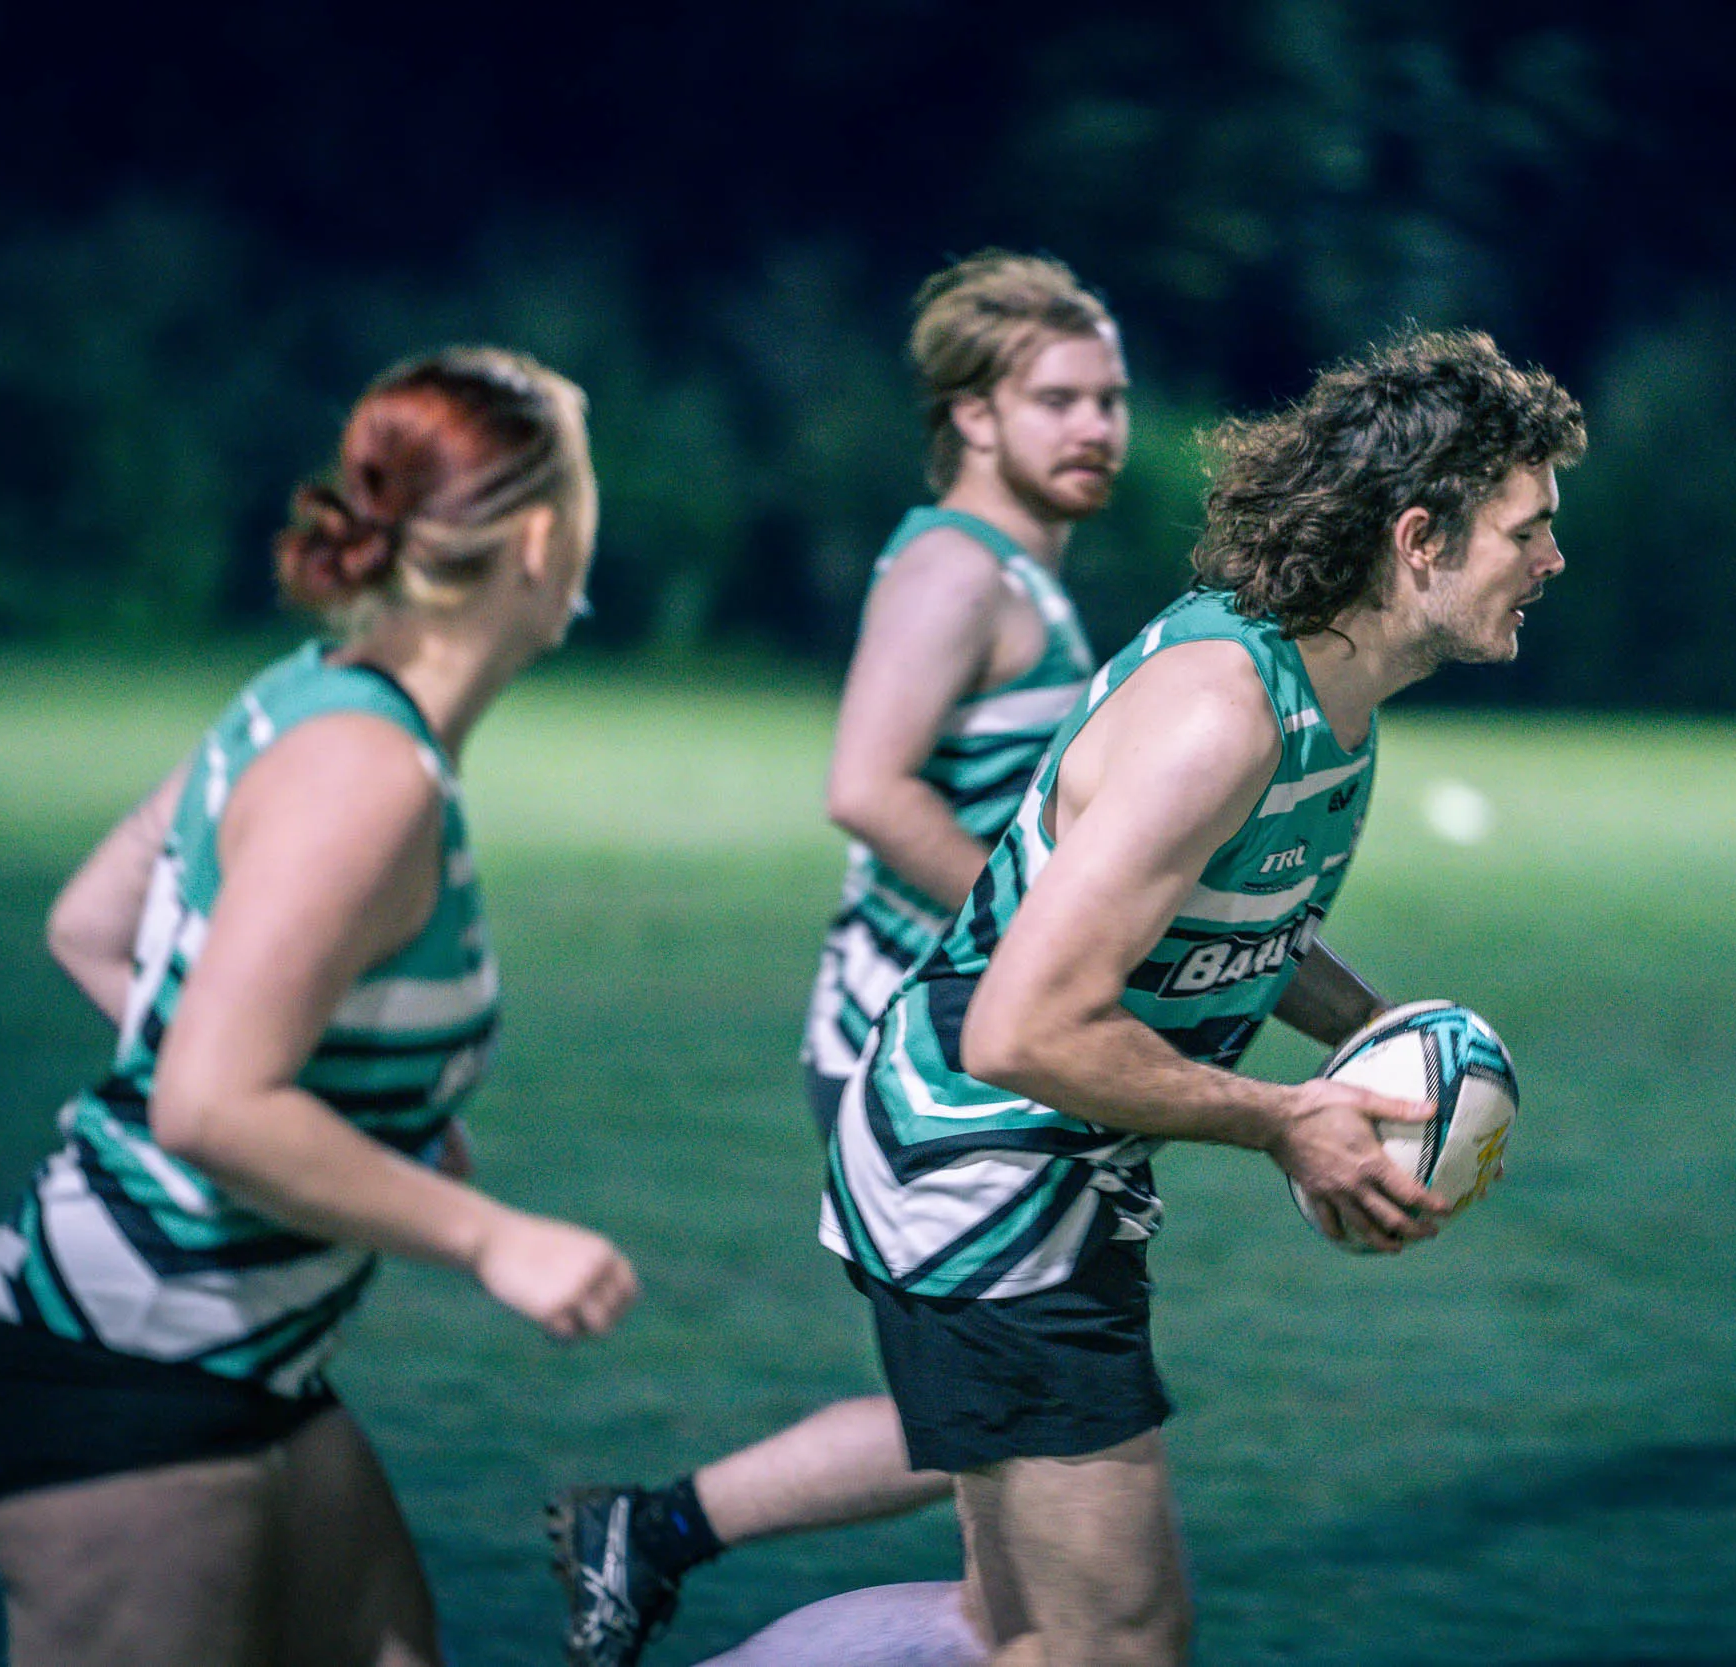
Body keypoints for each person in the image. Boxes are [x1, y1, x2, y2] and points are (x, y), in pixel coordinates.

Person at [563, 327, 1584, 1667]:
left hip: (1018, 1167)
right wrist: (1288, 1118)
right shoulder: (1223, 714)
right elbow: (1023, 1025)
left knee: (1010, 1623)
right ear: (1417, 538)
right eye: (1529, 529)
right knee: (1116, 1640)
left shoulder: (1335, 703)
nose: (1553, 559)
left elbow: (1240, 923)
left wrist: (1381, 1044)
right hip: (985, 1179)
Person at [0, 347, 641, 1665]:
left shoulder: (310, 700)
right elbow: (209, 1097)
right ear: (543, 539)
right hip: (128, 1362)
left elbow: (97, 923)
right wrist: (490, 1235)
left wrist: (350, 1117)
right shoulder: (362, 774)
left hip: (244, 1363)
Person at [551, 252, 1126, 1666]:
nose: (1098, 424)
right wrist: (1035, 928)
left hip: (963, 1054)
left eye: (1111, 395)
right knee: (1031, 1509)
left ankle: (654, 1527)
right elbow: (869, 786)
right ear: (974, 415)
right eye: (1059, 397)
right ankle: (656, 1525)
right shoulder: (951, 568)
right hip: (914, 1057)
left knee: (1006, 1495)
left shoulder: (1025, 574)